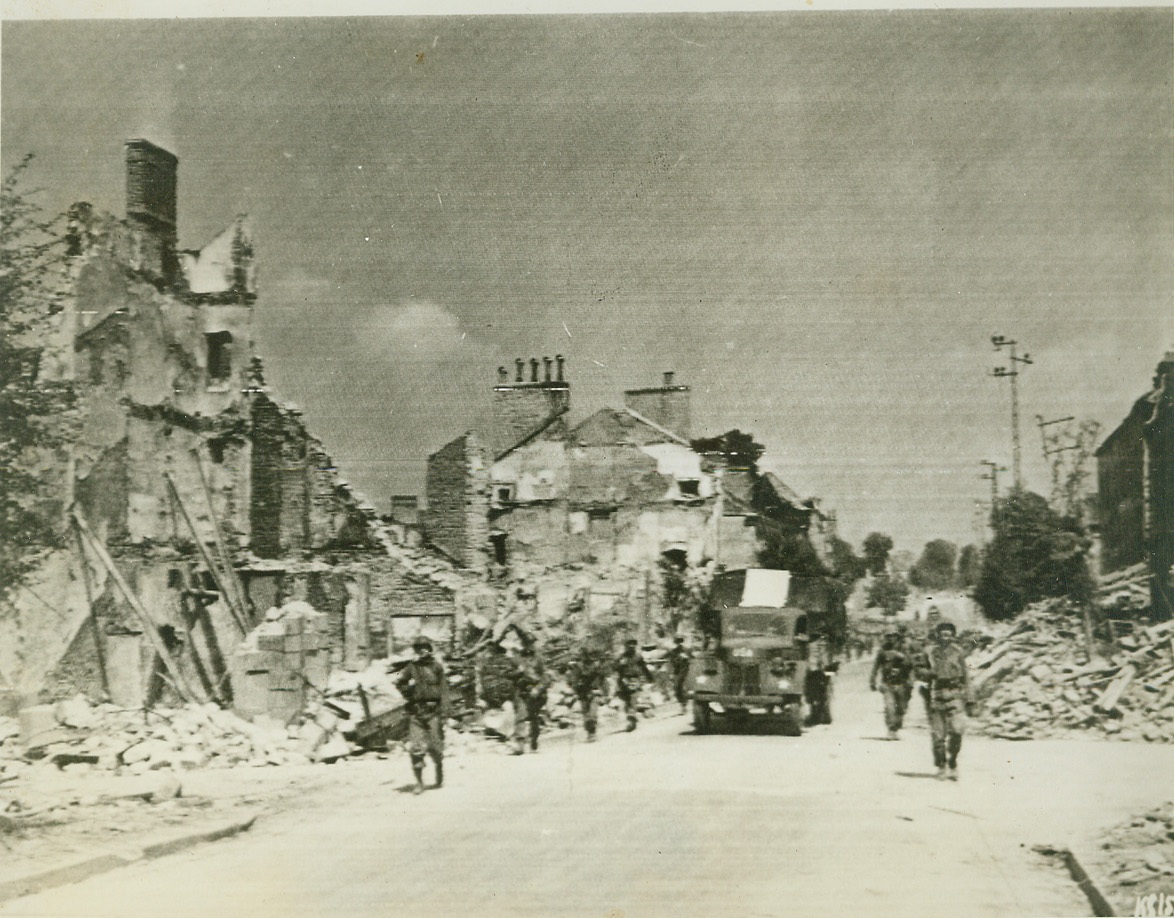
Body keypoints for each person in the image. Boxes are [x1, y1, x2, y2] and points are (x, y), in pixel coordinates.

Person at [395, 636, 449, 795]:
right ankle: (419, 783)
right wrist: (409, 692)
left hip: (434, 713)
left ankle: (439, 768)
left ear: (430, 649)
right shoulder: (411, 667)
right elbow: (399, 682)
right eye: (418, 648)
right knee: (416, 749)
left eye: (424, 647)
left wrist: (445, 713)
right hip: (417, 713)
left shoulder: (437, 667)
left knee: (436, 747)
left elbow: (445, 691)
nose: (421, 650)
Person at [924, 620, 973, 781]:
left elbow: (966, 677)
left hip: (955, 695)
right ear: (938, 636)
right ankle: (941, 765)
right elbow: (920, 671)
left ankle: (952, 762)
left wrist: (970, 699)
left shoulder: (958, 653)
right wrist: (929, 673)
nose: (946, 637)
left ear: (953, 636)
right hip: (937, 695)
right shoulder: (930, 653)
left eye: (949, 635)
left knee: (957, 732)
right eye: (943, 634)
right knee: (938, 736)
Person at [507, 642, 549, 754]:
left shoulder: (538, 659)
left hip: (536, 693)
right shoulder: (515, 659)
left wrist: (538, 689)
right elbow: (508, 675)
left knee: (534, 719)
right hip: (521, 693)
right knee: (521, 715)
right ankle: (519, 745)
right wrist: (518, 671)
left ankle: (533, 742)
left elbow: (546, 677)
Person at [870, 632, 912, 740]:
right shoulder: (882, 651)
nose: (891, 639)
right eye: (889, 636)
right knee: (890, 707)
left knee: (901, 708)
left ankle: (896, 725)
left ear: (898, 637)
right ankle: (891, 729)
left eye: (893, 636)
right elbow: (876, 666)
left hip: (902, 683)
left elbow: (911, 664)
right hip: (887, 683)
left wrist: (901, 657)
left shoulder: (904, 649)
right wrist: (872, 681)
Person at [568, 645, 609, 742]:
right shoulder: (578, 666)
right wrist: (575, 690)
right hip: (583, 693)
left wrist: (606, 693)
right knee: (586, 714)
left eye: (589, 655)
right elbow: (574, 680)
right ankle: (590, 733)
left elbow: (603, 680)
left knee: (592, 712)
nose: (588, 657)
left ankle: (592, 732)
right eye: (585, 655)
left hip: (594, 691)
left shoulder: (596, 666)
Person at [614, 637, 653, 731]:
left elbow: (644, 667)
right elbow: (614, 668)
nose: (632, 646)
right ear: (626, 646)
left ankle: (631, 718)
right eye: (629, 644)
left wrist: (650, 677)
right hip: (623, 680)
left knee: (633, 696)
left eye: (633, 643)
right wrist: (620, 664)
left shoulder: (638, 656)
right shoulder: (621, 657)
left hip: (635, 679)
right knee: (626, 700)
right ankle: (632, 719)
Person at [666, 636, 692, 715]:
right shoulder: (672, 651)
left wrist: (687, 658)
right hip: (677, 672)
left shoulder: (687, 650)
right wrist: (670, 673)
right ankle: (683, 705)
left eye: (680, 641)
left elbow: (692, 660)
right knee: (677, 689)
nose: (678, 643)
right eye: (677, 642)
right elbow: (670, 662)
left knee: (685, 688)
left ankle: (684, 705)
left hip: (686, 671)